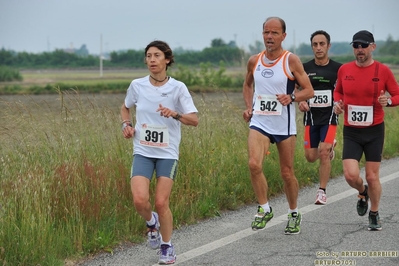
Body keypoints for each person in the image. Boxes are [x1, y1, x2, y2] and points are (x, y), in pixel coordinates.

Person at [121, 40, 198, 264]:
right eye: (148, 56)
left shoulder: (178, 88)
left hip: (167, 153)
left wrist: (174, 114)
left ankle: (166, 246)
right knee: (139, 200)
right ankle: (151, 221)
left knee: (162, 202)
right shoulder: (137, 85)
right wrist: (126, 124)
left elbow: (194, 120)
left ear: (167, 60)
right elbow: (125, 106)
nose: (152, 60)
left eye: (156, 55)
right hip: (143, 150)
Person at [243, 17, 314, 235]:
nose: (269, 37)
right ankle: (265, 209)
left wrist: (291, 97)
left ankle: (293, 213)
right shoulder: (254, 61)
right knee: (254, 164)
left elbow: (309, 91)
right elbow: (247, 85)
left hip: (284, 125)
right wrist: (249, 107)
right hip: (260, 122)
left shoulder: (290, 60)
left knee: (287, 172)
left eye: (274, 33)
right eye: (266, 32)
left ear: (283, 36)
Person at [334, 30, 399, 231]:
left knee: (372, 177)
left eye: (363, 45)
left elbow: (397, 95)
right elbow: (338, 91)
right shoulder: (344, 69)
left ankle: (374, 213)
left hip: (374, 131)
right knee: (350, 176)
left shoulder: (383, 71)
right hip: (352, 131)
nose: (359, 50)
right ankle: (363, 192)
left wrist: (387, 101)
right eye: (356, 46)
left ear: (373, 46)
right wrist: (338, 102)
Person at [297, 30, 342, 205]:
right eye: (315, 44)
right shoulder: (304, 68)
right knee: (310, 156)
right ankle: (330, 147)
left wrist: (340, 103)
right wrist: (299, 100)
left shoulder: (338, 69)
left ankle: (321, 191)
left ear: (328, 46)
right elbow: (293, 88)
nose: (318, 47)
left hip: (330, 118)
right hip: (311, 119)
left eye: (322, 44)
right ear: (312, 47)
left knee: (323, 152)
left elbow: (345, 90)